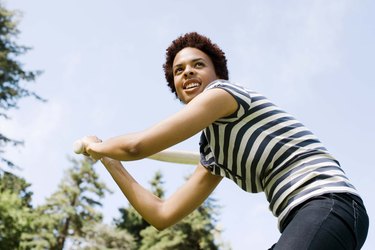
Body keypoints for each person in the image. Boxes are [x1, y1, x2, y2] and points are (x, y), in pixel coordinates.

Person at [80, 32, 369, 249]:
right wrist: (108, 159)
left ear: (216, 73)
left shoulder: (224, 94)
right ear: (177, 89)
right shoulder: (215, 151)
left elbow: (137, 146)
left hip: (329, 203)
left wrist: (96, 145)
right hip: (301, 218)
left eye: (197, 65)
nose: (187, 72)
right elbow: (163, 214)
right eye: (179, 70)